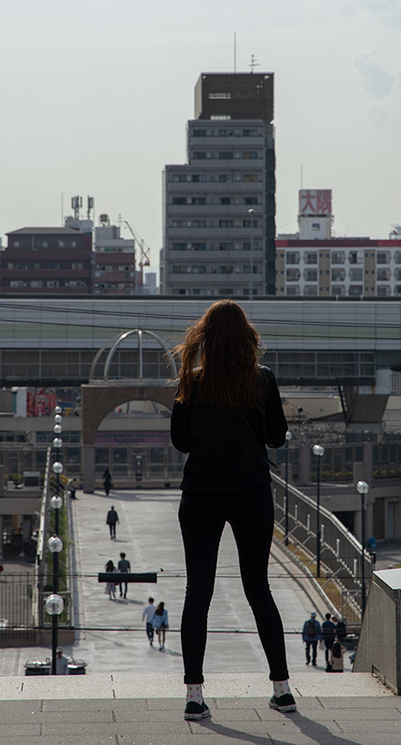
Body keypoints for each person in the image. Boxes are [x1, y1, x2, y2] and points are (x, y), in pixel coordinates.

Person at [170, 299, 295, 722]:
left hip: (201, 496)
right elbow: (277, 437)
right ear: (246, 337)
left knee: (197, 593)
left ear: (205, 337)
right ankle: (282, 689)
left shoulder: (192, 380)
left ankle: (194, 695)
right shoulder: (262, 379)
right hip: (251, 493)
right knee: (258, 590)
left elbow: (181, 442)